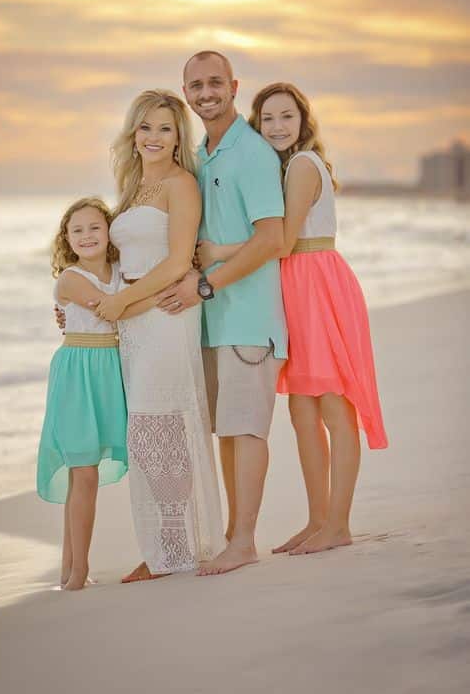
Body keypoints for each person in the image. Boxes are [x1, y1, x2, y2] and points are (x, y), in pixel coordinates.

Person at [198, 81, 388, 556]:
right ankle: (318, 519)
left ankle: (338, 524)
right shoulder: (281, 166)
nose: (278, 127)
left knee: (332, 409)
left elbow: (280, 241)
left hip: (317, 284)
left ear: (303, 121)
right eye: (268, 119)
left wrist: (219, 252)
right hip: (295, 288)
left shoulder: (303, 166)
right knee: (303, 413)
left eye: (287, 117)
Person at [158, 52, 288, 576]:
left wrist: (207, 283)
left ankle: (245, 540)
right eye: (196, 84)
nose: (206, 92)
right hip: (211, 320)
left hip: (247, 317)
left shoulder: (252, 152)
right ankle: (235, 536)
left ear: (233, 86)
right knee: (227, 433)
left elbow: (272, 239)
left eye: (215, 82)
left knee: (247, 430)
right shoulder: (200, 154)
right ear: (185, 91)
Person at [94, 89, 224, 581]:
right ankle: (169, 547)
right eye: (145, 127)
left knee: (159, 431)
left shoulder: (180, 184)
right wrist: (84, 305)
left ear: (177, 138)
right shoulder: (130, 191)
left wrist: (124, 302)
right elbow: (116, 263)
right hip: (132, 322)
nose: (153, 137)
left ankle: (174, 549)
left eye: (165, 128)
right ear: (133, 133)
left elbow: (175, 263)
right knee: (149, 436)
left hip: (166, 316)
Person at [36, 197, 128, 590]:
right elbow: (112, 310)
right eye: (77, 230)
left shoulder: (123, 271)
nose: (87, 236)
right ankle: (77, 573)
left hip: (111, 372)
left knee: (83, 477)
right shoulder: (70, 279)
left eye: (95, 227)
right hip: (77, 374)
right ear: (66, 239)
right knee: (84, 472)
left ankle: (70, 568)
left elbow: (121, 303)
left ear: (109, 232)